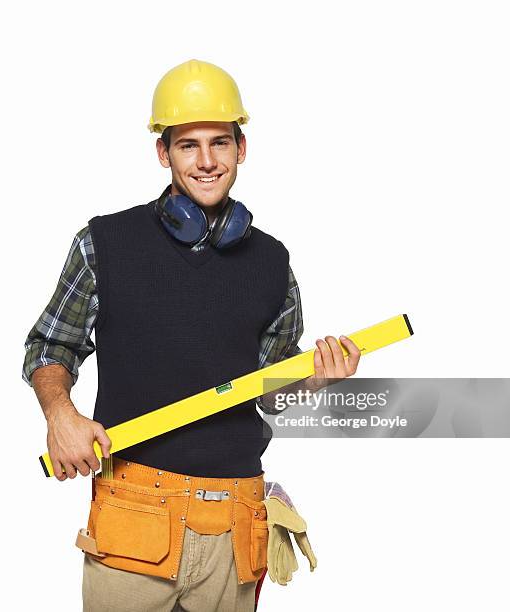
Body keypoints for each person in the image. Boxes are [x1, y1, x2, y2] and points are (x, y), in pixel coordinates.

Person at [22, 59, 361, 612]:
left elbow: (271, 392)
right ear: (163, 153)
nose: (207, 161)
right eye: (188, 145)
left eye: (220, 143)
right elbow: (51, 346)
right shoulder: (104, 242)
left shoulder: (273, 262)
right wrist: (60, 415)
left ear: (241, 149)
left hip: (233, 519)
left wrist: (317, 379)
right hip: (134, 512)